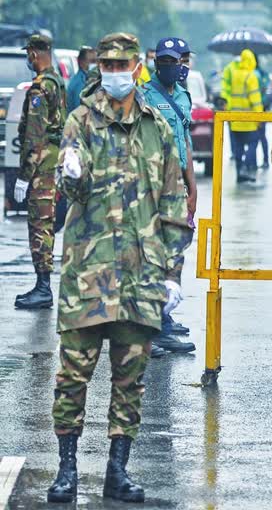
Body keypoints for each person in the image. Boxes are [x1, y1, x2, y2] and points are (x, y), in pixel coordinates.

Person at [46, 32, 192, 504]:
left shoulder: (158, 128)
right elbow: (70, 185)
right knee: (73, 377)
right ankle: (67, 469)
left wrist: (173, 272)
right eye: (106, 64)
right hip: (88, 275)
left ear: (137, 66)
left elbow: (174, 205)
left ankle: (117, 471)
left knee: (130, 381)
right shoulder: (80, 121)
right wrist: (67, 171)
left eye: (121, 64)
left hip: (141, 276)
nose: (113, 72)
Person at [140, 37, 197, 355]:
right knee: (153, 255)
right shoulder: (144, 95)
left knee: (175, 251)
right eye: (162, 61)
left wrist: (193, 188)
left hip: (177, 186)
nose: (170, 66)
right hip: (153, 186)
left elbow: (185, 140)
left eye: (174, 61)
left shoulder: (184, 97)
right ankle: (152, 328)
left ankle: (162, 318)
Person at [13, 34, 66, 310]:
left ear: (34, 53)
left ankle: (43, 288)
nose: (28, 59)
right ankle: (42, 285)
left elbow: (34, 136)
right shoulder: (57, 82)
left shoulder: (39, 89)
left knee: (39, 225)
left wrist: (24, 175)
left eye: (28, 53)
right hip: (53, 161)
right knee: (46, 224)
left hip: (41, 166)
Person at [227, 48, 263, 182]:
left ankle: (239, 173)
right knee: (253, 143)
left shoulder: (235, 74)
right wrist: (259, 117)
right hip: (249, 121)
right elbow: (255, 99)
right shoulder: (251, 76)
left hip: (235, 120)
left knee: (239, 147)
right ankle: (246, 168)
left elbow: (231, 95)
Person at [66, 46, 96, 113]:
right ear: (81, 62)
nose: (95, 65)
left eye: (96, 61)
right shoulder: (79, 83)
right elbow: (80, 111)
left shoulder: (90, 79)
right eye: (92, 61)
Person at [253, 55, 270, 168]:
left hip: (259, 106)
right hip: (259, 106)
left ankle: (263, 160)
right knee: (258, 136)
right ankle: (262, 161)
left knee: (258, 135)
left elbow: (264, 87)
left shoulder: (259, 73)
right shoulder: (260, 73)